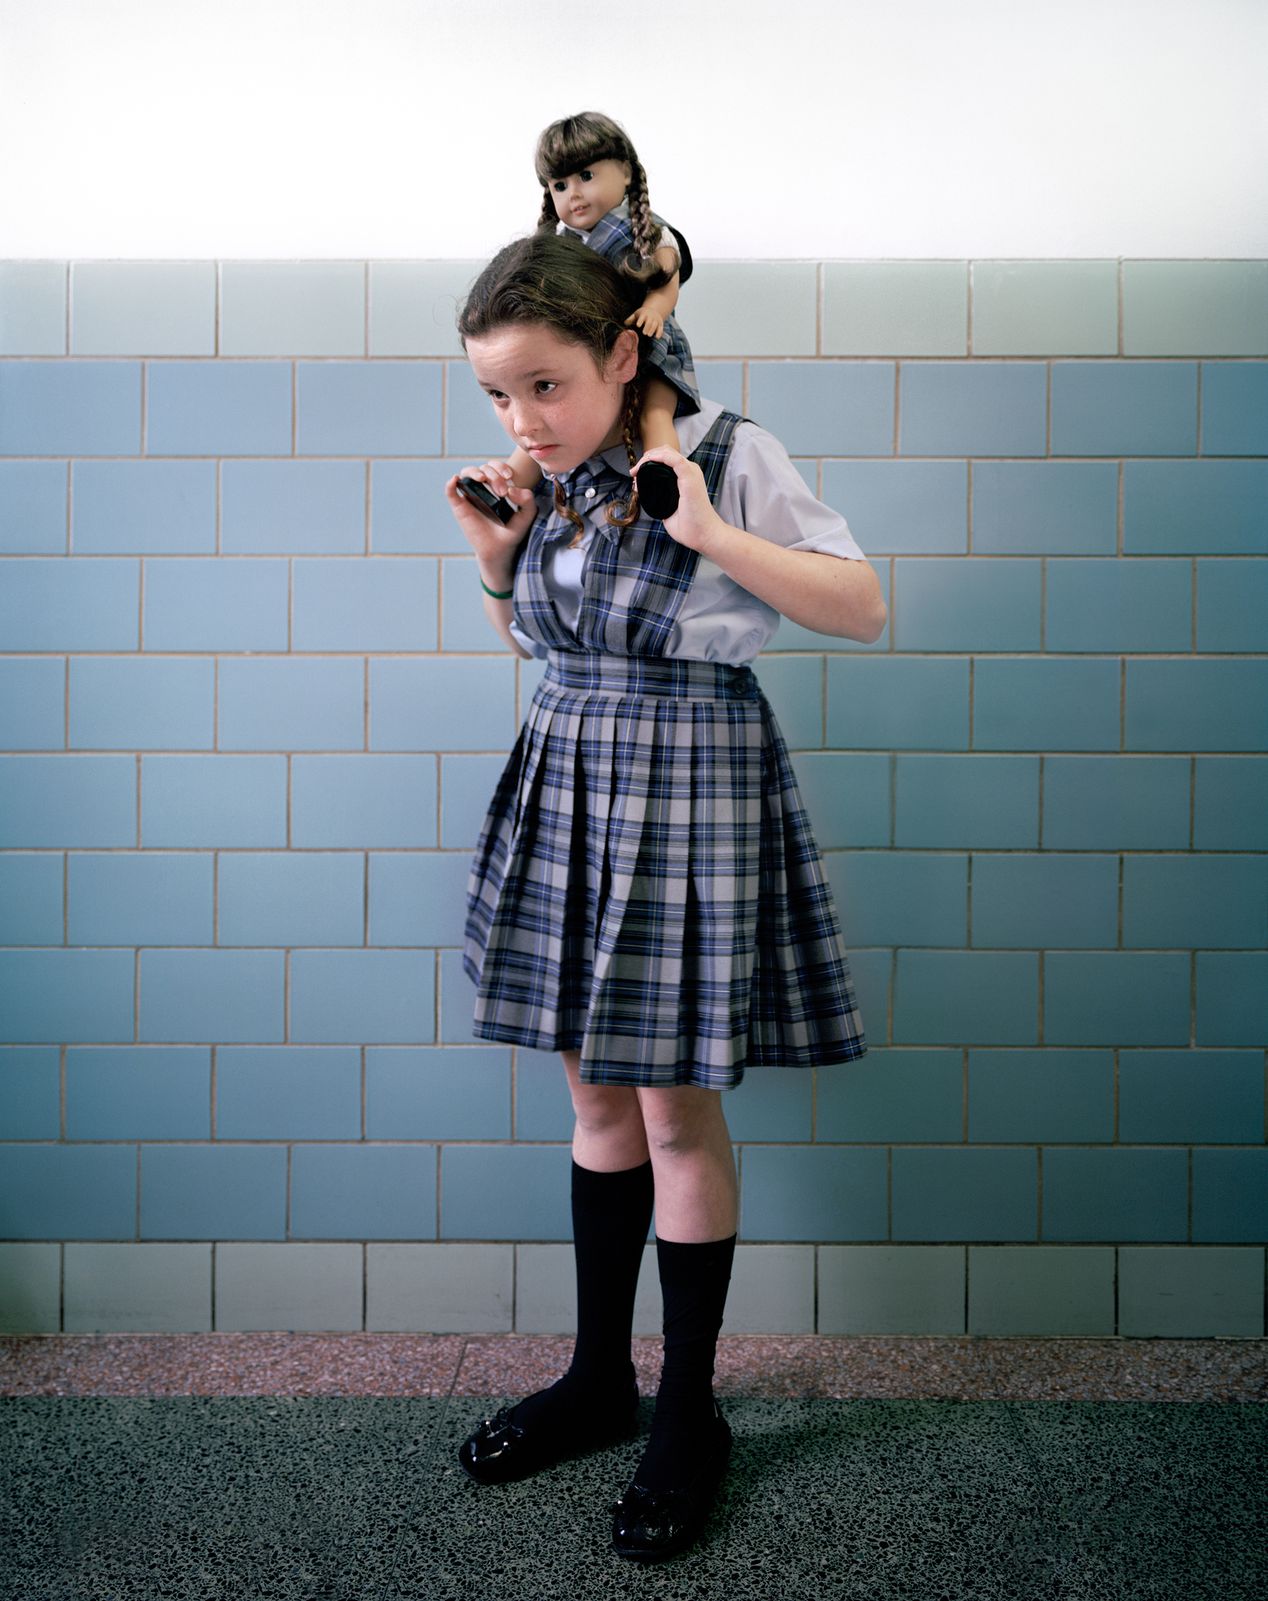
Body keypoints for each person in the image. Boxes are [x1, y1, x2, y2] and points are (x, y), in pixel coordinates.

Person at [443, 231, 886, 1563]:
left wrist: (703, 525)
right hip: (569, 772)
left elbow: (863, 605)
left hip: (689, 777)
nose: (525, 419)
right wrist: (494, 559)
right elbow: (537, 640)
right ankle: (598, 1378)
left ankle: (686, 1413)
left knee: (673, 1109)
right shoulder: (550, 481)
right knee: (593, 1096)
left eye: (545, 386)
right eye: (499, 396)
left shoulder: (731, 450)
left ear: (621, 352)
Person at [501, 110, 699, 494]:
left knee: (654, 413)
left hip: (649, 343)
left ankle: (664, 480)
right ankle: (507, 488)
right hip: (594, 355)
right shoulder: (564, 246)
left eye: (585, 177)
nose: (572, 193)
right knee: (544, 426)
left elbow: (666, 280)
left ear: (625, 172)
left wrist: (654, 310)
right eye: (559, 186)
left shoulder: (646, 232)